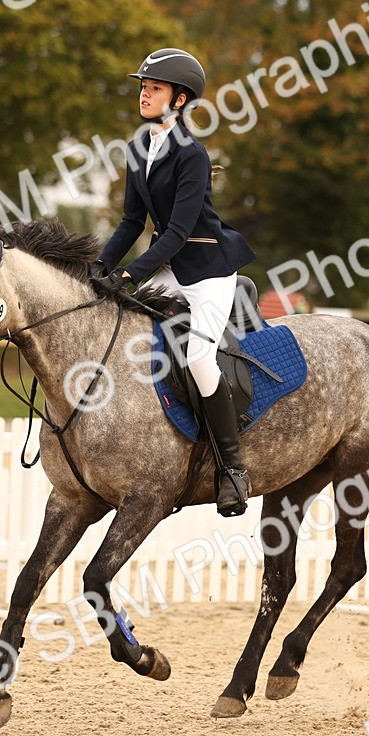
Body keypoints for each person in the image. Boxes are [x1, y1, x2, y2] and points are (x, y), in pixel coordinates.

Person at [92, 48, 257, 518]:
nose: (144, 91)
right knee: (118, 322)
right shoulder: (139, 147)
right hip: (169, 267)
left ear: (180, 99)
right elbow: (129, 223)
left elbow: (181, 233)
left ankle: (232, 466)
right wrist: (100, 269)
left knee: (199, 354)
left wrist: (129, 274)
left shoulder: (193, 154)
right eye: (143, 85)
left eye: (155, 87)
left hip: (207, 271)